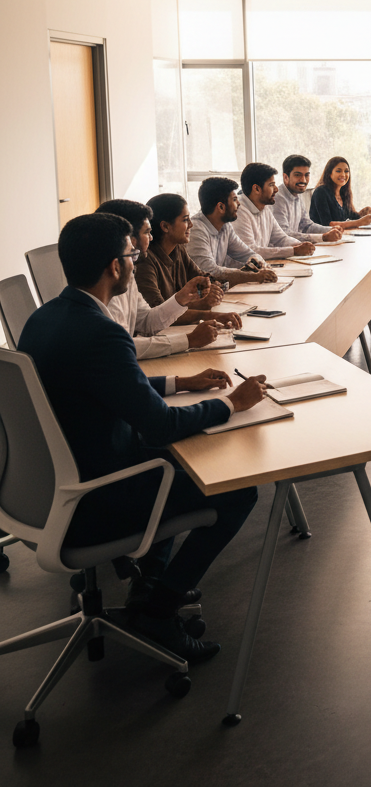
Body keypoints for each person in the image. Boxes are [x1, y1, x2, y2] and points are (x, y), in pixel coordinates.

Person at [18, 213, 268, 660]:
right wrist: (234, 404)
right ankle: (157, 610)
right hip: (97, 498)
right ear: (115, 266)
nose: (137, 261)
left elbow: (100, 385)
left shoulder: (43, 319)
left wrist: (180, 384)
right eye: (133, 255)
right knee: (236, 490)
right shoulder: (104, 333)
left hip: (50, 488)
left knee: (171, 465)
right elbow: (162, 425)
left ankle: (150, 583)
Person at [95, 198, 221, 357]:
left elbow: (147, 322)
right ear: (127, 238)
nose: (152, 237)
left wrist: (180, 299)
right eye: (147, 232)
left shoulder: (128, 272)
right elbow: (123, 347)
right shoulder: (102, 284)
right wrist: (188, 340)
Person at [310, 157, 371, 315]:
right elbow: (326, 223)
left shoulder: (343, 193)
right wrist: (360, 221)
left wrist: (363, 213)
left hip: (344, 242)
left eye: (346, 171)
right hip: (328, 245)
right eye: (339, 170)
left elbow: (351, 216)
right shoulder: (321, 192)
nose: (343, 174)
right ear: (329, 173)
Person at [136, 193, 244, 329]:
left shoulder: (178, 249)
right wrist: (204, 308)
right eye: (185, 220)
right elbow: (158, 314)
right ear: (165, 226)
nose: (191, 225)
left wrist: (212, 286)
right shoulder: (144, 261)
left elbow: (202, 277)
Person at [187, 177, 280, 284]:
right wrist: (254, 276)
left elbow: (248, 253)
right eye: (235, 200)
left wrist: (257, 262)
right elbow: (210, 271)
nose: (239, 204)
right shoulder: (195, 231)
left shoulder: (225, 226)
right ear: (221, 207)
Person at [235, 162, 316, 261]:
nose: (276, 189)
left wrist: (300, 245)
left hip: (259, 269)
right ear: (256, 189)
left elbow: (280, 238)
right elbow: (249, 251)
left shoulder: (265, 208)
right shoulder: (238, 211)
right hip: (241, 272)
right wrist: (293, 251)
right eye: (271, 185)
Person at [273, 154, 345, 243]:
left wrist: (330, 229)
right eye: (297, 175)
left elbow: (306, 226)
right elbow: (284, 235)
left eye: (306, 175)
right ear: (285, 177)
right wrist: (322, 237)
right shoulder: (277, 198)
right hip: (279, 253)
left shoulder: (297, 195)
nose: (303, 180)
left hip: (294, 250)